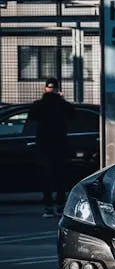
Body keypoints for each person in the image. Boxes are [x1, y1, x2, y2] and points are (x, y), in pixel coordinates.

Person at [27, 77, 75, 217]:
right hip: (59, 143)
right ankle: (60, 204)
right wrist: (62, 100)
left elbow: (32, 117)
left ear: (45, 89)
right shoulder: (62, 104)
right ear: (57, 90)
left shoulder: (39, 104)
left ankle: (48, 206)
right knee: (60, 175)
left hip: (44, 144)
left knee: (46, 175)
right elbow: (72, 114)